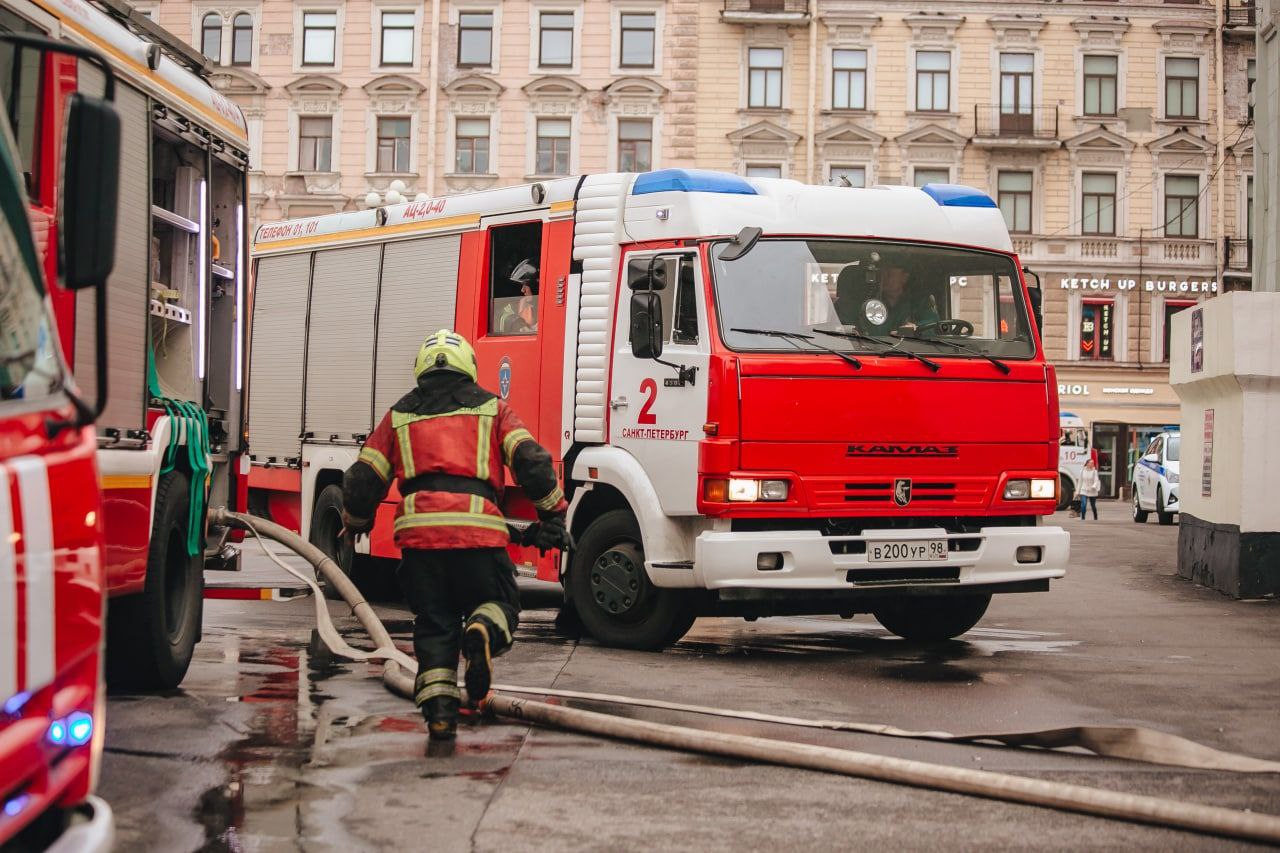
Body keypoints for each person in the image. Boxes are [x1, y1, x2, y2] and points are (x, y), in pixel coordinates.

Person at [340, 329, 571, 741]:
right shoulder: (492, 409)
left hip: (420, 545)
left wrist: (355, 523)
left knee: (434, 626)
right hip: (479, 536)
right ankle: (482, 629)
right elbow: (531, 460)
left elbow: (362, 479)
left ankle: (442, 717)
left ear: (421, 370)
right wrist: (552, 514)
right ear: (469, 366)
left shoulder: (399, 415)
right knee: (499, 603)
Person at [497, 259, 539, 334]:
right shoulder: (520, 304)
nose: (522, 290)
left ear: (536, 287)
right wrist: (517, 324)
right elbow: (503, 316)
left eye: (525, 286)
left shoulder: (551, 308)